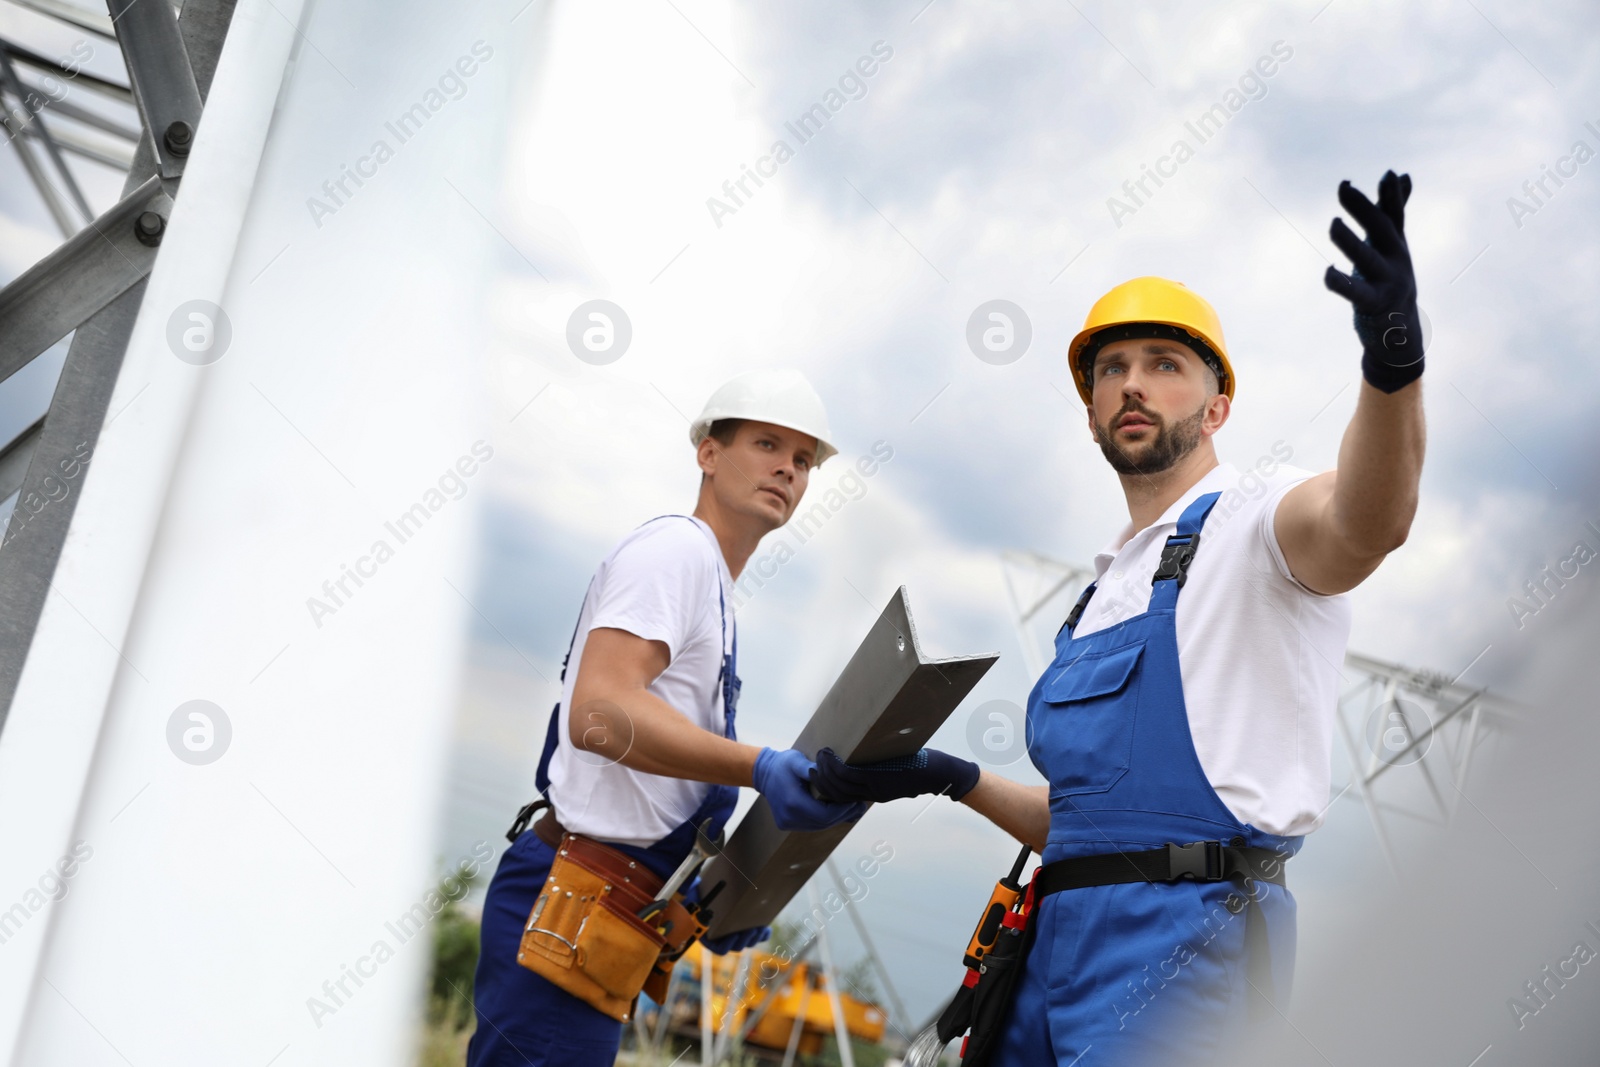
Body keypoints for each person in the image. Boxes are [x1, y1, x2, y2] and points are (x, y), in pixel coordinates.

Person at [813, 171, 1426, 1064]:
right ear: (1093, 409)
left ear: (1218, 406)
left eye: (1164, 365)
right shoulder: (1098, 592)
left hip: (1187, 949)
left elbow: (1369, 522)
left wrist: (1392, 367)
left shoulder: (1257, 514)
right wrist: (953, 777)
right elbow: (1089, 831)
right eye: (1112, 369)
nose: (1133, 384)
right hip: (1050, 945)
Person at [468, 369, 868, 1067]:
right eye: (767, 443)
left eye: (804, 460)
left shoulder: (711, 581)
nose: (787, 468)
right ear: (708, 452)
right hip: (569, 905)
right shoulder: (676, 552)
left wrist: (716, 899)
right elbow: (597, 713)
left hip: (608, 916)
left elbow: (651, 790)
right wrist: (757, 765)